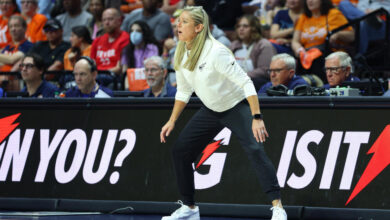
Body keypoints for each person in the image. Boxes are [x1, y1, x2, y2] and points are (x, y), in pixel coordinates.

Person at [160, 6, 287, 220]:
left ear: (199, 27)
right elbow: (183, 90)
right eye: (178, 21)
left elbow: (246, 82)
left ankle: (278, 207)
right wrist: (172, 120)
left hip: (235, 105)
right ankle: (190, 208)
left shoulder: (216, 51)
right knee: (181, 150)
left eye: (183, 22)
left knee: (255, 150)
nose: (177, 25)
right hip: (211, 108)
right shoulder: (181, 52)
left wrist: (256, 117)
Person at [291, 0, 354, 82]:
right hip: (306, 55)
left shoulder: (333, 13)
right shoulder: (304, 17)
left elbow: (352, 36)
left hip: (327, 54)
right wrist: (299, 50)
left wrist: (338, 34)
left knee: (317, 60)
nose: (310, 1)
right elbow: (295, 41)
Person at [230, 14, 276, 90]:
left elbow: (264, 70)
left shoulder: (264, 45)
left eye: (245, 26)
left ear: (254, 28)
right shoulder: (233, 45)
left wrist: (241, 76)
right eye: (239, 26)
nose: (241, 29)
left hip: (255, 82)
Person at [90, 8, 129, 76]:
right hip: (97, 76)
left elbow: (119, 68)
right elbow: (91, 65)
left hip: (114, 77)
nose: (107, 23)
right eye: (104, 20)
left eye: (110, 19)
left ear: (119, 21)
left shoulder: (126, 38)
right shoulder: (97, 41)